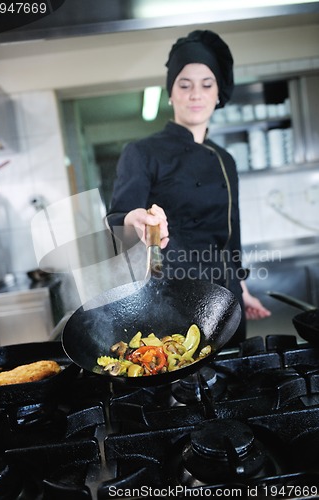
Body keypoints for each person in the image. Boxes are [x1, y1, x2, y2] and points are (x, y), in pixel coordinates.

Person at [106, 29, 270, 346]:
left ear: (218, 93)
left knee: (233, 386)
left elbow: (231, 236)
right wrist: (134, 220)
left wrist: (243, 289)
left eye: (206, 85)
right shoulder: (141, 153)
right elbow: (118, 220)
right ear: (171, 93)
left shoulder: (225, 159)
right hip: (175, 299)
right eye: (185, 84)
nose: (196, 94)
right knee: (182, 388)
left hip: (228, 299)